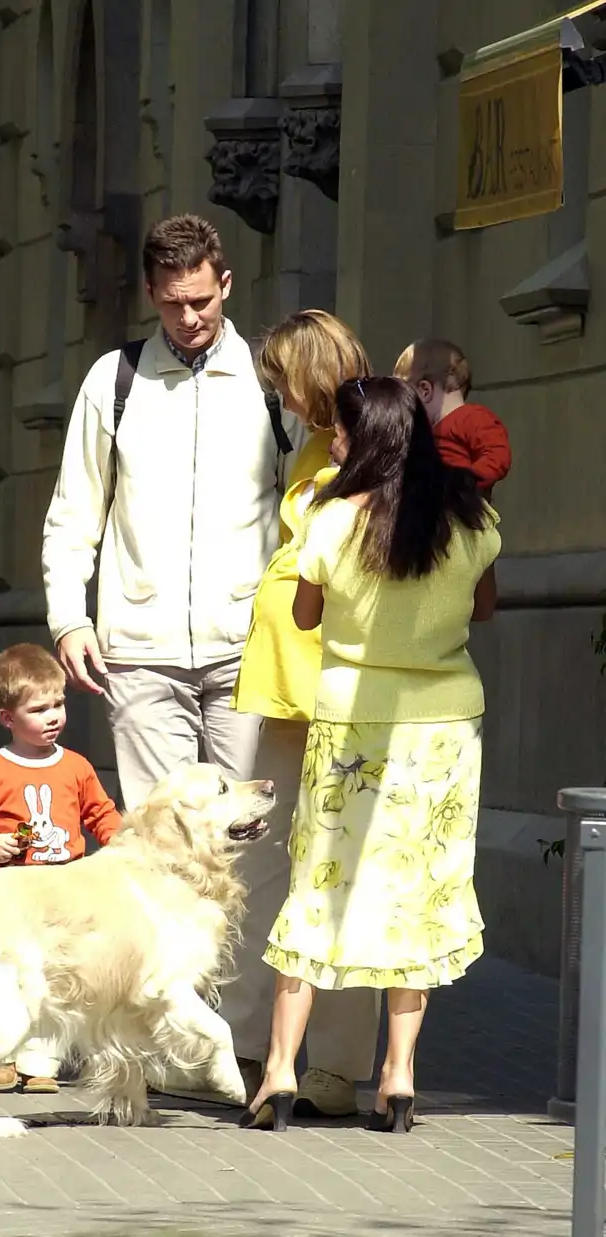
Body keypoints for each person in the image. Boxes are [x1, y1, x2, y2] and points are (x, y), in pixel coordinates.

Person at [240, 377, 501, 1133]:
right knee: (422, 887)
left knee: (320, 878)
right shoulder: (470, 517)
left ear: (366, 438)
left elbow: (306, 612)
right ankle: (398, 1072)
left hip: (352, 718)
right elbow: (485, 606)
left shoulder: (331, 520)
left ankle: (282, 1069)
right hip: (446, 724)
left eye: (344, 434)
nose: (337, 443)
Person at [41, 214, 304, 813]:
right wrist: (68, 618)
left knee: (253, 834)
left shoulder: (269, 383)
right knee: (163, 843)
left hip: (249, 649)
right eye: (172, 304)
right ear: (151, 295)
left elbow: (305, 510)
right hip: (140, 653)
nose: (188, 319)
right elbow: (73, 513)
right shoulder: (115, 381)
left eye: (201, 301)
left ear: (227, 285)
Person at [221, 311, 381, 1117]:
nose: (275, 392)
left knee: (340, 866)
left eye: (282, 376)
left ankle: (340, 1062)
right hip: (289, 683)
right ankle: (250, 1042)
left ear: (309, 373)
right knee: (267, 863)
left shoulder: (369, 437)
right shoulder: (315, 443)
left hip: (341, 685)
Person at [0, 642, 122, 1095]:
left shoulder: (76, 766)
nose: (54, 716)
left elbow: (101, 813)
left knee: (59, 978)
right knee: (7, 975)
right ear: (7, 718)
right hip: (11, 895)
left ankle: (39, 1060)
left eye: (59, 704)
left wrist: (124, 842)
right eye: (39, 708)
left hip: (67, 893)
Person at [393, 338, 512, 498]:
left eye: (406, 398)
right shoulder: (425, 431)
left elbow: (497, 455)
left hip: (460, 511)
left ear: (424, 390)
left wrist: (466, 481)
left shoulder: (473, 417)